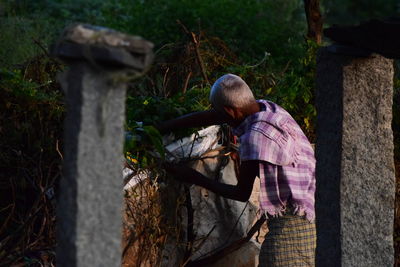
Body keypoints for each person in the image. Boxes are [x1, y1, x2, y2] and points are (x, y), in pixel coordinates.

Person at [158, 74, 316, 267]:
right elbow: (214, 115)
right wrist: (162, 127)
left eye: (219, 112)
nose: (216, 116)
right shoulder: (269, 109)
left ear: (230, 111)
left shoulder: (255, 137)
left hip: (292, 227)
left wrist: (193, 176)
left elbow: (241, 193)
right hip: (315, 212)